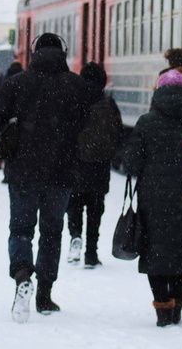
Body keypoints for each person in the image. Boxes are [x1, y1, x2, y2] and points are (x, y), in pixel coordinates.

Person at [0, 33, 93, 323]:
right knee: (52, 232)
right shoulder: (76, 85)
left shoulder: (18, 83)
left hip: (23, 171)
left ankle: (22, 276)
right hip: (62, 171)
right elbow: (88, 121)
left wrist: (11, 128)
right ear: (64, 53)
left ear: (33, 52)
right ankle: (45, 293)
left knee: (21, 229)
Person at [122, 69, 182, 328]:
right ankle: (177, 304)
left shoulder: (147, 121)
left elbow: (132, 164)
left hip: (154, 197)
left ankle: (162, 309)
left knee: (156, 251)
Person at [66, 62, 123, 269]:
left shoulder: (72, 100)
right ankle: (91, 253)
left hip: (76, 163)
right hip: (99, 164)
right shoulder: (108, 102)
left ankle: (75, 235)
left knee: (74, 204)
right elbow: (117, 133)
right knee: (95, 209)